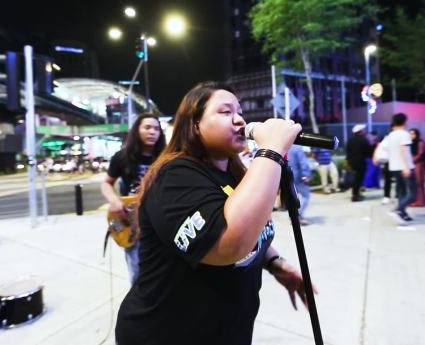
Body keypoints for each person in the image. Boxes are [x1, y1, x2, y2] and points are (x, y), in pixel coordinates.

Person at [115, 82, 313, 345]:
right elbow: (228, 243)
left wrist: (276, 264)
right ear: (194, 124)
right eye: (225, 112)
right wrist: (271, 151)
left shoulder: (233, 175)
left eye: (240, 112)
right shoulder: (174, 176)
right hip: (163, 333)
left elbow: (253, 227)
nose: (240, 119)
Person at [101, 113, 166, 285]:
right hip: (131, 222)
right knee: (138, 275)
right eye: (147, 127)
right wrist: (114, 201)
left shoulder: (167, 157)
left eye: (156, 128)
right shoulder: (122, 157)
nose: (152, 132)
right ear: (137, 130)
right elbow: (106, 184)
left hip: (159, 222)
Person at [386, 113, 416, 224]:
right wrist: (406, 167)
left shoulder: (391, 135)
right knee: (413, 194)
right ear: (404, 121)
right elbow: (403, 151)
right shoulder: (404, 134)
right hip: (404, 167)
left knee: (402, 191)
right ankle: (398, 210)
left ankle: (403, 213)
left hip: (393, 167)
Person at [346, 124, 372, 202]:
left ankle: (356, 193)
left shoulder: (350, 140)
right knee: (358, 179)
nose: (364, 131)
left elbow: (348, 151)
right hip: (361, 162)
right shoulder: (364, 140)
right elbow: (368, 152)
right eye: (363, 130)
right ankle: (355, 195)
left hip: (352, 162)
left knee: (356, 178)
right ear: (360, 131)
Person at [287, 145, 312, 225]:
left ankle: (294, 216)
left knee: (293, 197)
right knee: (306, 196)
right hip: (297, 176)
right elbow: (303, 163)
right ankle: (298, 216)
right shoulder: (297, 148)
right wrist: (306, 176)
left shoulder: (284, 147)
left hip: (286, 176)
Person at [408, 128, 425, 207]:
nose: (412, 135)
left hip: (419, 164)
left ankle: (421, 201)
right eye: (410, 134)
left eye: (413, 134)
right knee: (413, 184)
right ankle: (415, 200)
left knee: (419, 183)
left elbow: (420, 154)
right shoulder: (409, 143)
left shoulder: (420, 142)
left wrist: (412, 160)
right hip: (412, 165)